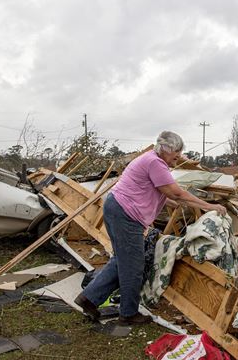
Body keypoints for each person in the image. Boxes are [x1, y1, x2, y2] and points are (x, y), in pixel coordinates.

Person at [74, 131, 226, 325]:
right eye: (176, 154)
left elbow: (155, 189)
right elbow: (177, 192)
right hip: (125, 214)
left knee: (122, 260)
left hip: (117, 208)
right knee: (133, 265)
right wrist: (210, 206)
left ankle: (88, 298)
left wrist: (169, 202)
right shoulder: (155, 162)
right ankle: (128, 314)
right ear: (165, 149)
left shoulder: (152, 160)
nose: (178, 158)